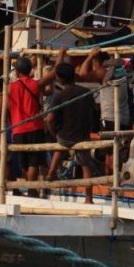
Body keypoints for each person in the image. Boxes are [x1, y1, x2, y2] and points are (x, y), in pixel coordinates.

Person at [45, 63, 100, 204]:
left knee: (59, 144)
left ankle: (51, 172)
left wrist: (54, 131)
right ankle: (89, 198)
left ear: (60, 79)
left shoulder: (60, 95)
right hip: (82, 136)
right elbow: (94, 113)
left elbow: (50, 118)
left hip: (65, 136)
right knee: (86, 166)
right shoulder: (87, 92)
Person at [8, 54, 60, 196]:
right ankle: (31, 189)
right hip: (35, 128)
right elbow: (54, 74)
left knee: (24, 162)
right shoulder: (35, 84)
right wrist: (61, 55)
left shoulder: (9, 88)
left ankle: (30, 188)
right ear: (30, 70)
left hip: (17, 129)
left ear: (17, 72)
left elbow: (7, 109)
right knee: (34, 161)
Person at [77, 47, 130, 173]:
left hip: (111, 118)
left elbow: (82, 74)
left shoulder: (104, 71)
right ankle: (115, 182)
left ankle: (112, 183)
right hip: (125, 118)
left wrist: (90, 56)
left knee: (110, 153)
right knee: (118, 153)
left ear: (97, 61)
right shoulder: (118, 70)